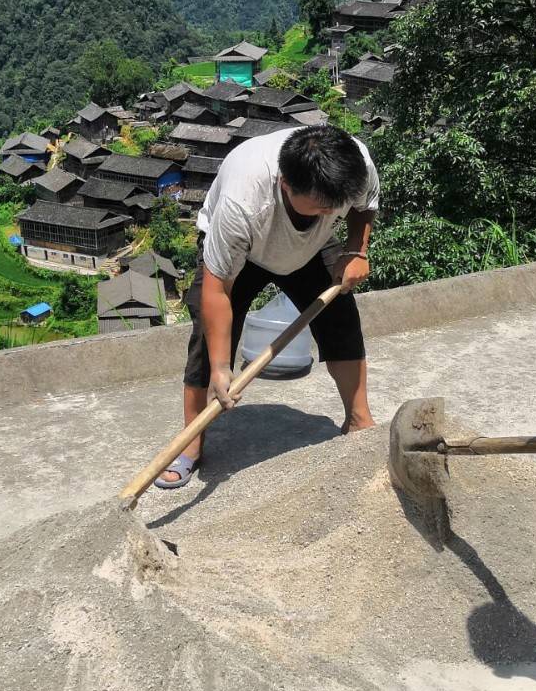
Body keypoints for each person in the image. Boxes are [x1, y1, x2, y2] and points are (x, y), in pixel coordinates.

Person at [155, 124, 378, 489]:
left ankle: (358, 418)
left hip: (310, 248)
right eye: (322, 207)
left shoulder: (355, 164)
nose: (330, 212)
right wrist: (221, 367)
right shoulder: (242, 201)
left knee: (341, 320)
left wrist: (357, 251)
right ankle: (190, 442)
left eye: (334, 207)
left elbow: (365, 205)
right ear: (285, 184)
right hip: (244, 250)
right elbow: (217, 290)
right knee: (206, 340)